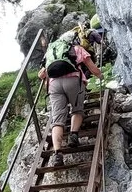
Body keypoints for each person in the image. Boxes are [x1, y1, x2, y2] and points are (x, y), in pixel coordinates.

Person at [38, 31, 104, 166]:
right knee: (77, 110)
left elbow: (41, 74)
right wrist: (103, 78)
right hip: (73, 81)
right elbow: (93, 69)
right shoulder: (77, 48)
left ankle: (57, 154)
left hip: (54, 85)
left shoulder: (50, 53)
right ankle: (73, 135)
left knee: (57, 120)